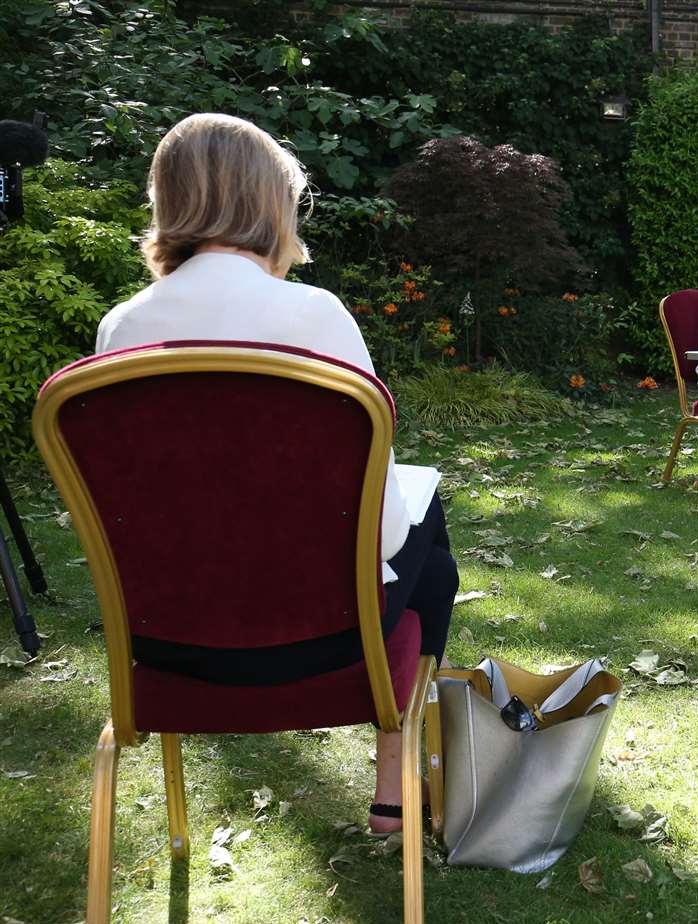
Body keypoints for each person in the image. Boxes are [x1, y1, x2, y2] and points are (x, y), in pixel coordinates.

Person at [94, 113, 458, 832]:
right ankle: (396, 781)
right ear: (270, 202)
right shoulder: (314, 317)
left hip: (167, 646)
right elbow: (382, 536)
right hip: (325, 638)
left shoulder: (121, 329)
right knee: (432, 553)